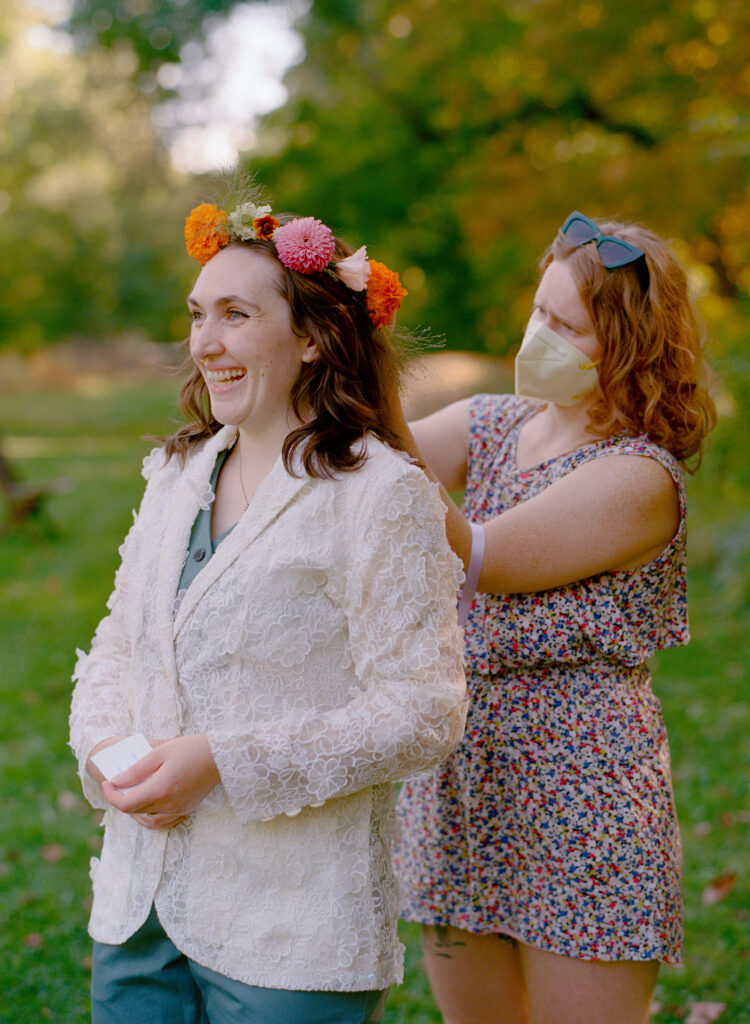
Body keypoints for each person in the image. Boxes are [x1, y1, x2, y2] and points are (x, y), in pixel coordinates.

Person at [69, 188, 467, 1024]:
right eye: (197, 315)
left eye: (236, 316)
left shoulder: (379, 492)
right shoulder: (178, 473)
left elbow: (423, 712)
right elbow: (117, 641)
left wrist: (220, 759)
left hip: (291, 925)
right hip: (138, 908)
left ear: (315, 339)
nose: (205, 343)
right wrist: (109, 747)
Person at [391, 211, 716, 1024]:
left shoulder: (639, 477)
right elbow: (367, 469)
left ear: (629, 343)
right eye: (538, 311)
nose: (538, 335)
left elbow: (484, 556)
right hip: (464, 775)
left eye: (566, 325)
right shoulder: (493, 423)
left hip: (583, 791)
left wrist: (371, 370)